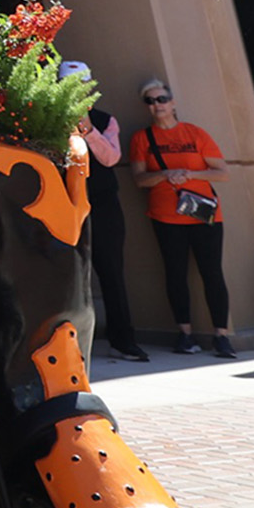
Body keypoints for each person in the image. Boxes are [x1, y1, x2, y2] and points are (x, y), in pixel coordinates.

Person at [127, 79, 236, 358]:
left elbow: (222, 172)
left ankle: (221, 336)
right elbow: (139, 179)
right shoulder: (142, 138)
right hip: (166, 215)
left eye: (161, 99)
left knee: (212, 272)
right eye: (150, 101)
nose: (157, 105)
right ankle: (184, 333)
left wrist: (189, 174)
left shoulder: (195, 133)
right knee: (175, 273)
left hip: (202, 213)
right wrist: (165, 174)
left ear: (173, 102)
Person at [62, 61, 145, 361]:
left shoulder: (105, 120)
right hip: (66, 203)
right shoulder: (50, 119)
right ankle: (69, 347)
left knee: (111, 272)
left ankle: (123, 341)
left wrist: (89, 131)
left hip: (103, 204)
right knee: (67, 275)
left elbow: (111, 159)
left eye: (81, 84)